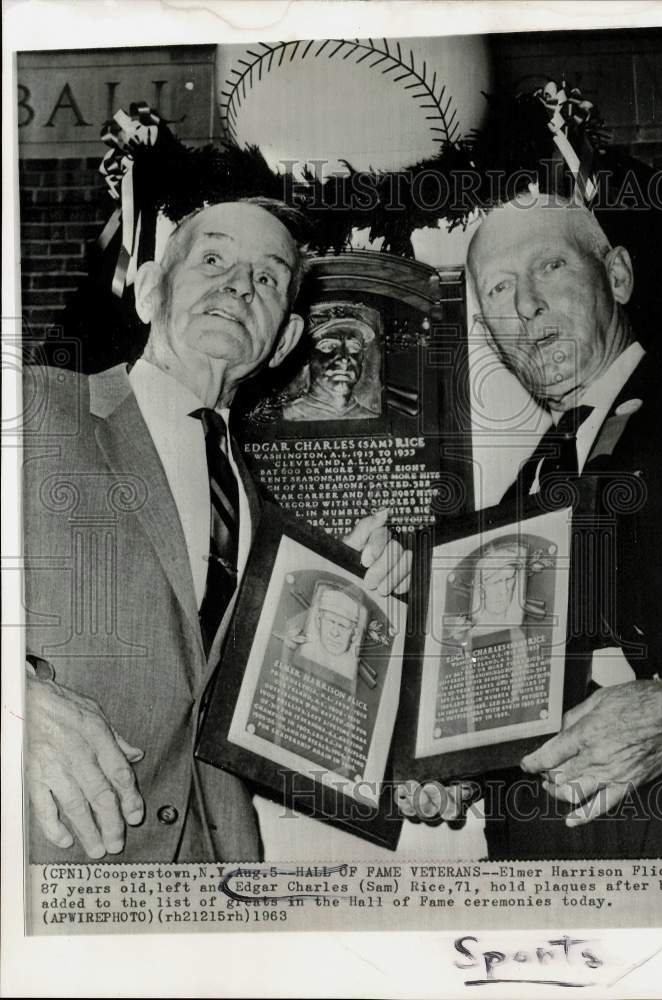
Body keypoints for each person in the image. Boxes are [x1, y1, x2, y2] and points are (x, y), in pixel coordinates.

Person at [23, 197, 411, 863]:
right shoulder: (32, 406)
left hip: (215, 887)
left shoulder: (271, 526)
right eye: (212, 260)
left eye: (267, 278)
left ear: (284, 340)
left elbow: (299, 725)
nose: (239, 285)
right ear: (149, 291)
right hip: (47, 880)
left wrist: (377, 599)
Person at [398, 193, 662, 859]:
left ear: (616, 276)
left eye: (549, 268)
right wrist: (459, 759)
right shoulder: (527, 486)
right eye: (499, 289)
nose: (525, 306)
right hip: (537, 853)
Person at [282, 312, 379, 420]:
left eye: (354, 348)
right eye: (329, 346)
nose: (344, 359)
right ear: (307, 356)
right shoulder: (288, 415)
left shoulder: (371, 417)